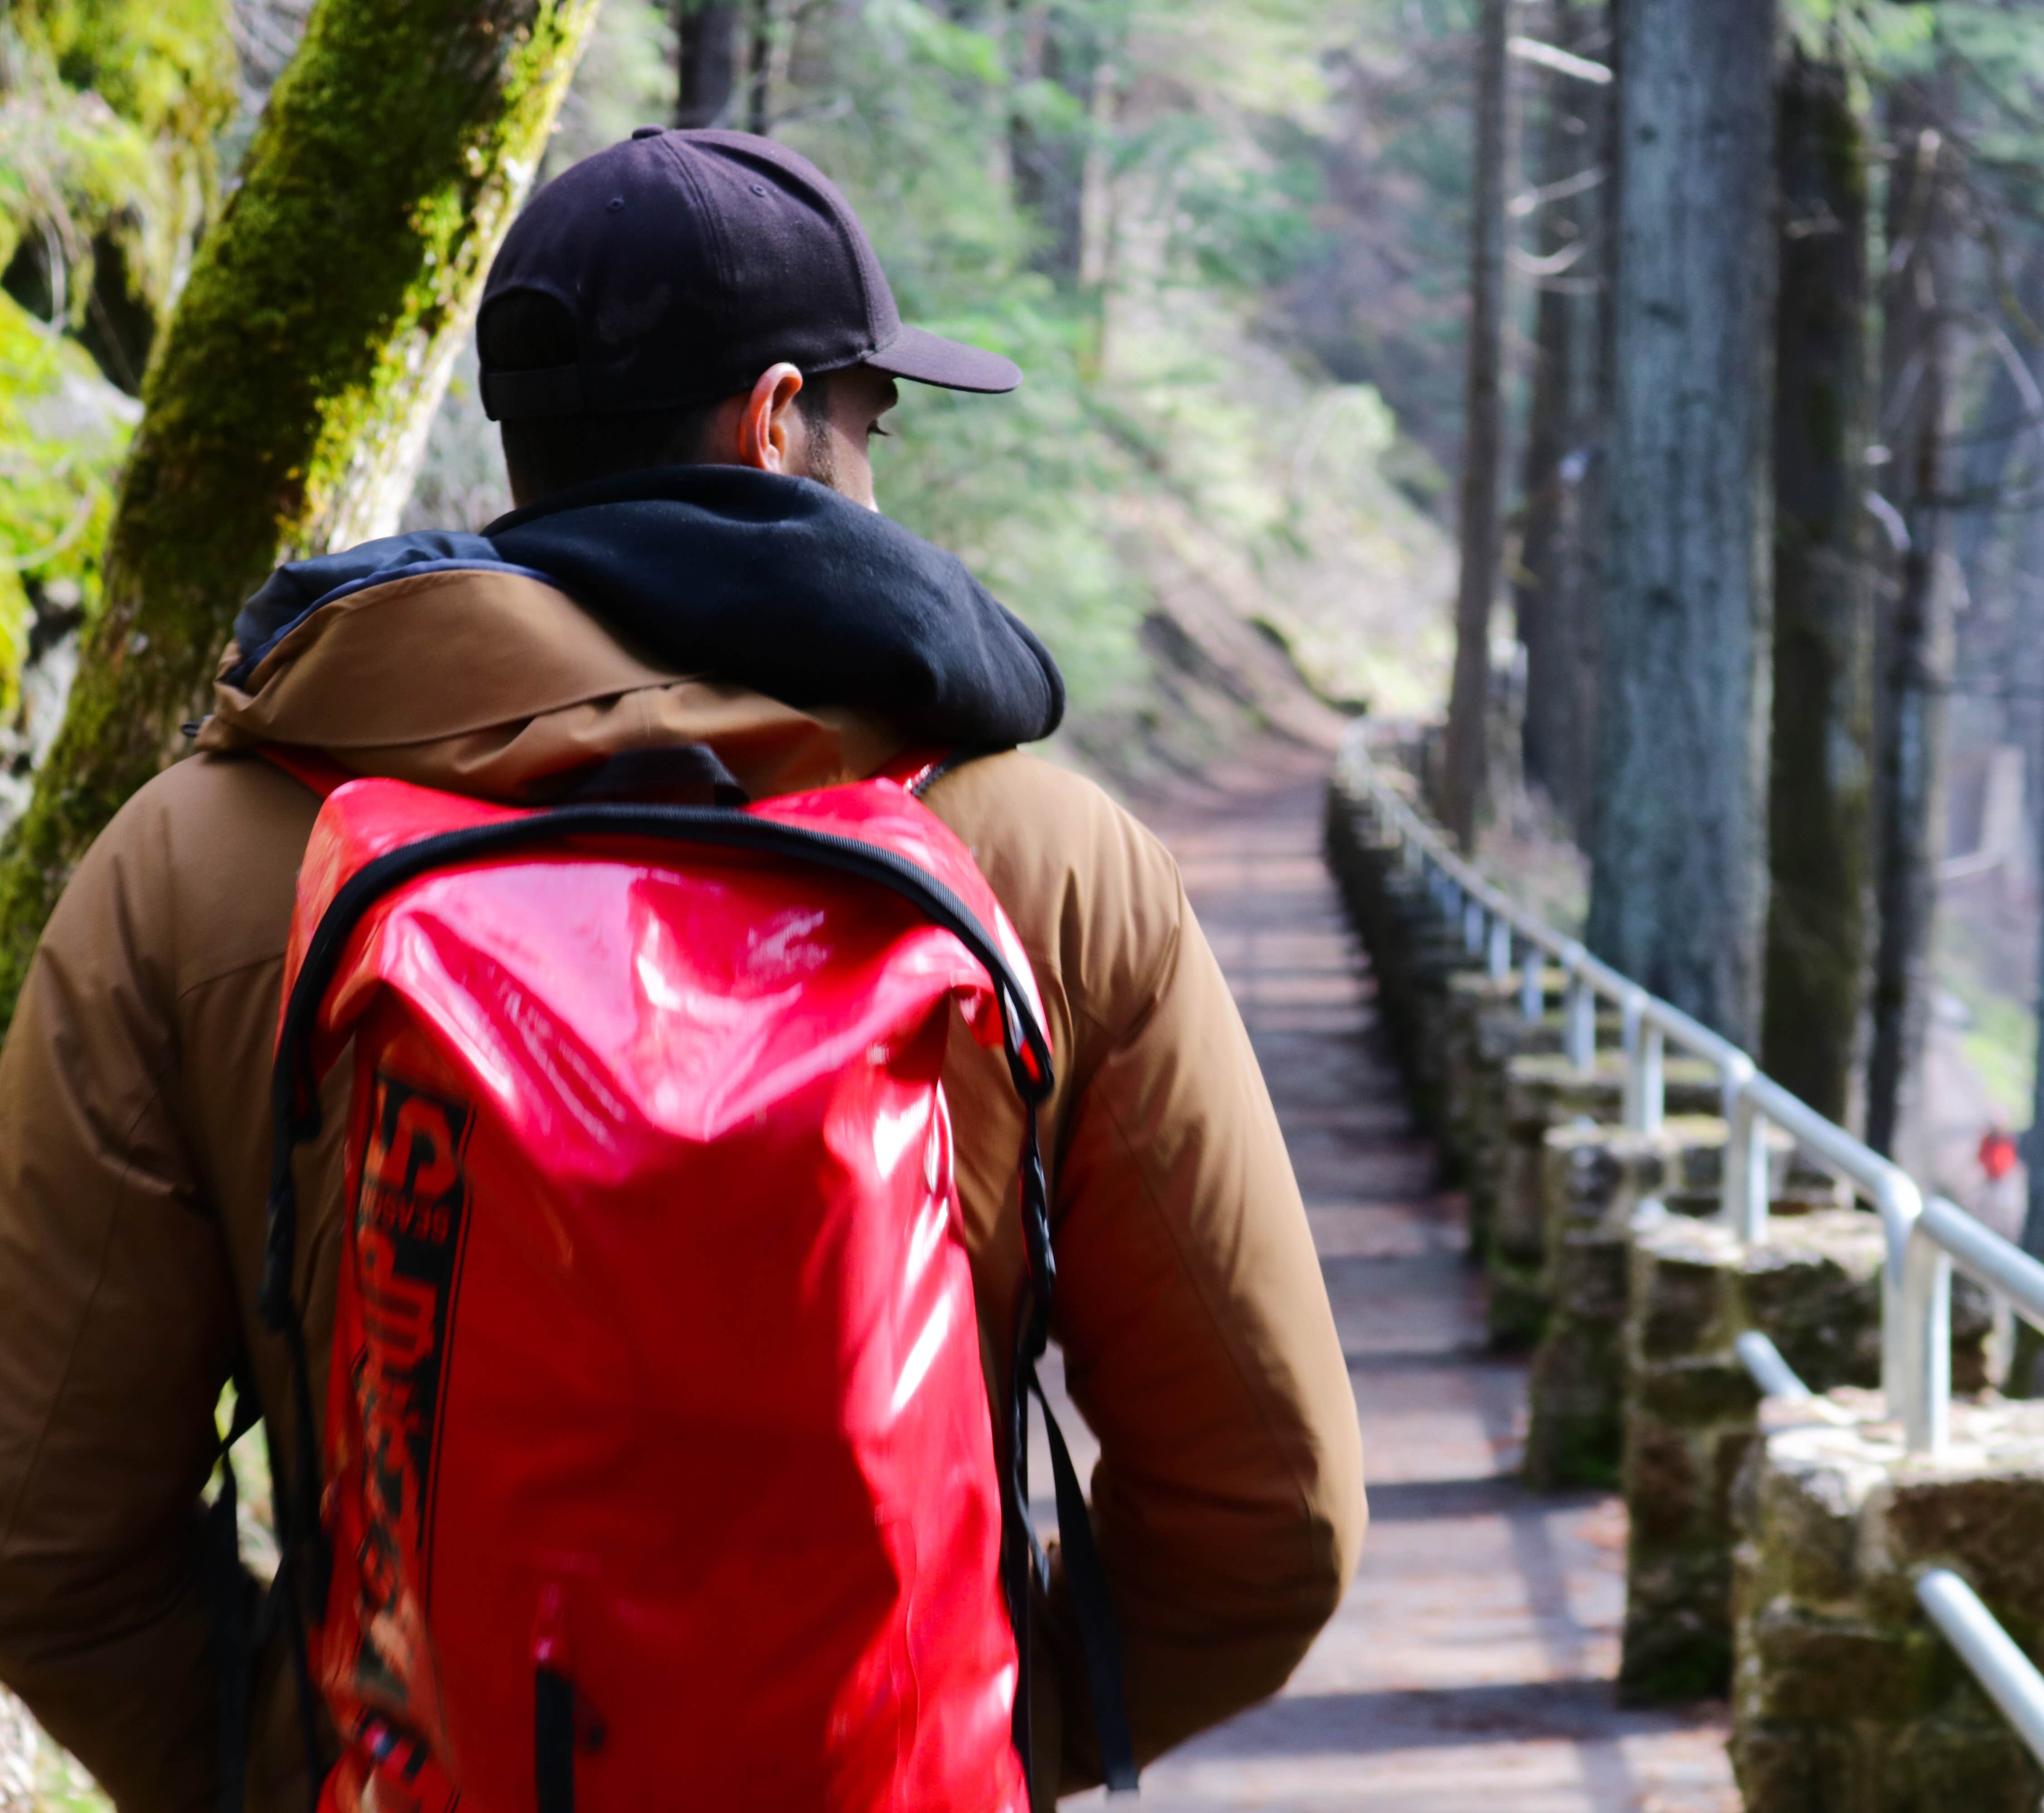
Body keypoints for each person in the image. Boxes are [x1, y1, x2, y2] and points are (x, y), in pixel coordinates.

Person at [0, 126, 1365, 1808]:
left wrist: (308, 1766)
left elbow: (36, 1519)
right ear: (777, 421)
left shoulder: (200, 863)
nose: (875, 471)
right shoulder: (1045, 863)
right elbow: (1276, 1514)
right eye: (871, 425)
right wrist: (981, 1736)